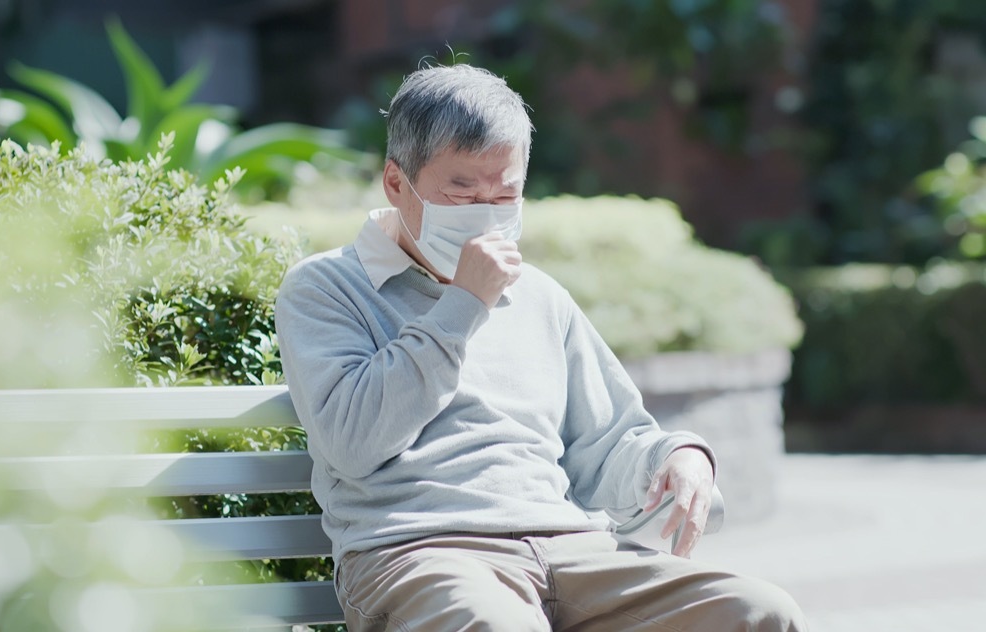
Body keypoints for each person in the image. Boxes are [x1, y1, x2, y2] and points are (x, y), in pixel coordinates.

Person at [274, 63, 807, 631]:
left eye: (505, 195)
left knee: (760, 614)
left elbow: (609, 442)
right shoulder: (326, 288)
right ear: (396, 183)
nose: (486, 213)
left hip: (573, 550)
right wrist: (463, 304)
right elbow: (352, 442)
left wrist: (677, 457)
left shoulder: (540, 296)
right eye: (462, 191)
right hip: (424, 551)